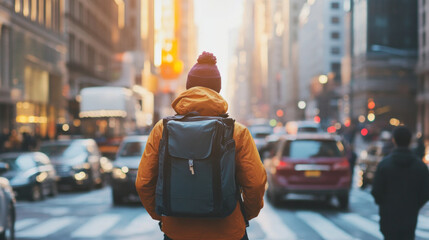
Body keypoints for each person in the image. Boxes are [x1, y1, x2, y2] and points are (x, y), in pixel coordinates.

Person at [135, 52, 267, 240]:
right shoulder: (237, 132)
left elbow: (143, 182)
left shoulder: (161, 130)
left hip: (177, 232)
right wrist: (244, 213)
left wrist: (163, 215)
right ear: (217, 90)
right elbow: (256, 183)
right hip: (228, 231)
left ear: (189, 88)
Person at [371, 126, 429, 240]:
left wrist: (385, 204)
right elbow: (426, 192)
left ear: (394, 140)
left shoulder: (384, 165)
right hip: (410, 217)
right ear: (410, 141)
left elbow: (376, 191)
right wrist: (414, 205)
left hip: (388, 217)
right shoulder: (420, 166)